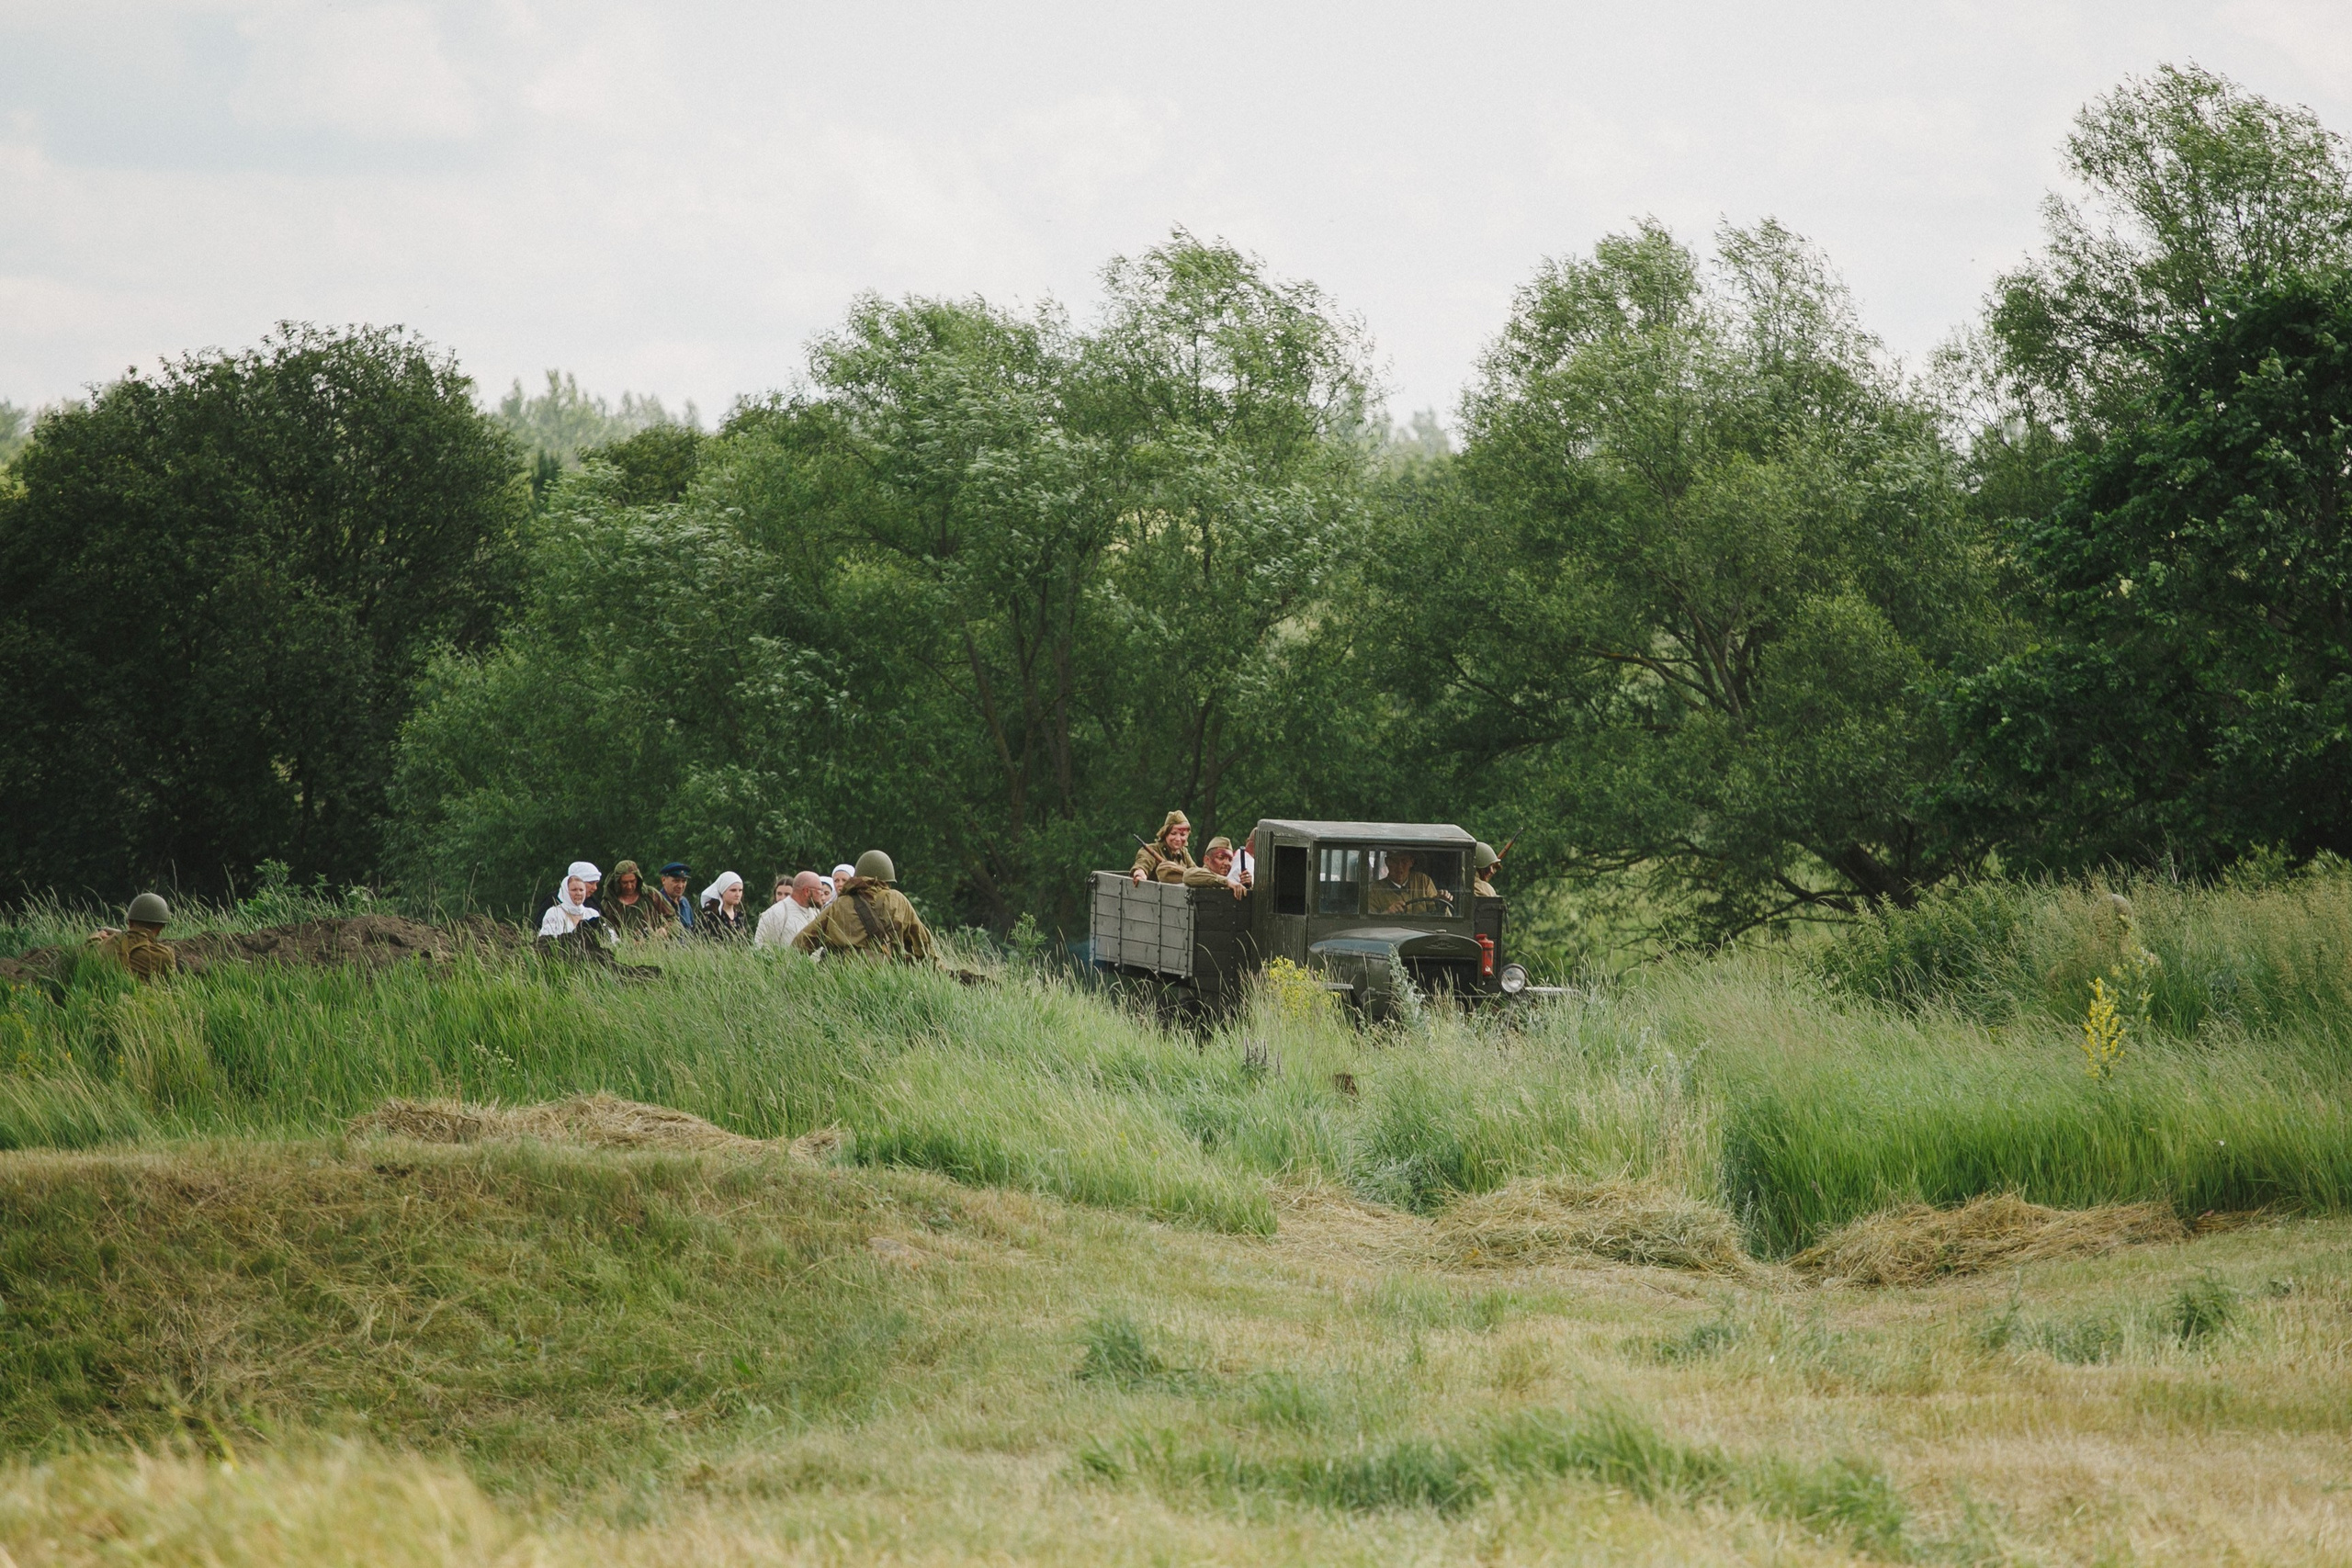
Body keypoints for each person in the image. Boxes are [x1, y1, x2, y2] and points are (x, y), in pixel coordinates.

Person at [793, 850, 937, 962]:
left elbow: (801, 943)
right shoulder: (897, 900)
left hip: (840, 978)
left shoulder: (839, 904)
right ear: (886, 879)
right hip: (884, 978)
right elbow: (923, 946)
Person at [86, 892, 178, 981]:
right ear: (161, 927)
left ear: (130, 922)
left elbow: (90, 948)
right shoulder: (165, 955)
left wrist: (95, 937)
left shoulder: (106, 945)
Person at [602, 859, 676, 939]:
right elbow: (604, 930)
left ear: (638, 879)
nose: (629, 886)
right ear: (618, 882)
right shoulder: (610, 903)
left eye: (632, 881)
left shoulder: (651, 895)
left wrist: (665, 929)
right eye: (625, 882)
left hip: (654, 946)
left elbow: (673, 919)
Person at [757, 871, 825, 949]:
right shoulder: (774, 914)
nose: (822, 894)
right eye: (819, 890)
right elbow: (760, 948)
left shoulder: (814, 912)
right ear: (807, 891)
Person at [539, 862, 606, 939]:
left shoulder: (593, 910)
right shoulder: (553, 905)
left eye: (581, 890)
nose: (595, 888)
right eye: (591, 883)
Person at [1366, 850, 1444, 914]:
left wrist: (1441, 904)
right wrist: (1387, 913)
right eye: (1394, 861)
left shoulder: (1423, 881)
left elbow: (1439, 916)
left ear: (1411, 862)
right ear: (1387, 862)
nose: (1399, 867)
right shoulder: (1375, 890)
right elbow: (1368, 923)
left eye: (1404, 861)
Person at [1130, 810, 1196, 884]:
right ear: (1165, 834)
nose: (1178, 839)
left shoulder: (1183, 852)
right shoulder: (1152, 850)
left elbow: (1194, 871)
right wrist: (1140, 874)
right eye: (1173, 834)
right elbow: (1143, 863)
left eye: (1182, 835)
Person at [1182, 836, 1250, 900]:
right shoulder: (1200, 876)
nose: (1227, 863)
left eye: (1230, 859)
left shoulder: (1227, 885)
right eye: (1221, 858)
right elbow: (1187, 875)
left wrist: (1247, 887)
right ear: (1207, 860)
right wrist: (1227, 882)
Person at [697, 872, 751, 941]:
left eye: (740, 890)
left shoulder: (740, 915)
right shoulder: (711, 915)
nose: (738, 894)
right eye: (733, 890)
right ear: (723, 891)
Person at [660, 863, 695, 932]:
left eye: (684, 881)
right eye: (676, 881)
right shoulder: (656, 902)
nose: (680, 886)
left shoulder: (685, 903)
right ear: (663, 880)